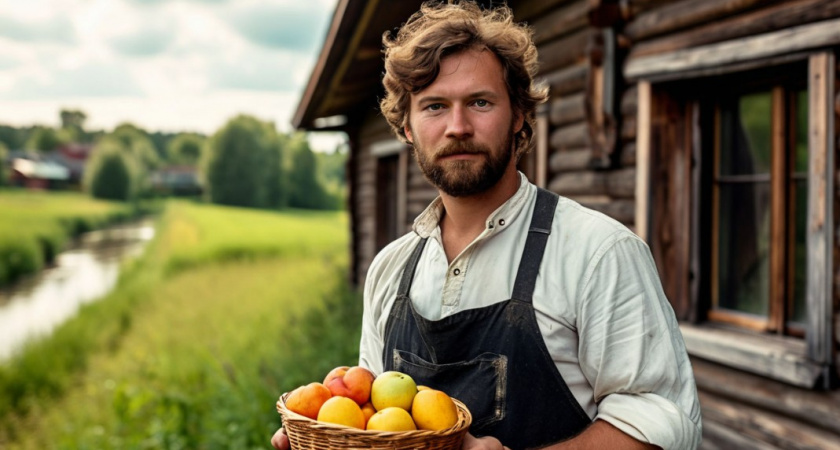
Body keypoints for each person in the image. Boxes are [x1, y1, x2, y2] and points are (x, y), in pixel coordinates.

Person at [273, 1, 702, 449]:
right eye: (435, 106)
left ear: (518, 114)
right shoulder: (389, 270)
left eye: (480, 102)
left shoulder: (599, 252)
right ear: (406, 127)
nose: (457, 127)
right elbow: (378, 420)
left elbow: (662, 422)